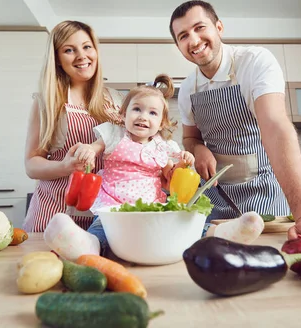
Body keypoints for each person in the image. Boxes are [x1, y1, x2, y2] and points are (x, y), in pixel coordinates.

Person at [169, 0, 301, 251]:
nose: (193, 41)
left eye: (199, 28)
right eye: (183, 36)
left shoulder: (254, 61)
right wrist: (198, 149)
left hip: (266, 195)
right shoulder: (187, 89)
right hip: (217, 200)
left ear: (219, 27)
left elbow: (274, 126)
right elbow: (190, 139)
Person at [43, 74, 196, 258]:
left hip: (149, 210)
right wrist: (88, 151)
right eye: (137, 109)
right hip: (111, 207)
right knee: (101, 233)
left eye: (152, 113)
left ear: (161, 122)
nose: (143, 116)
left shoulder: (163, 147)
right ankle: (86, 245)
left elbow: (172, 178)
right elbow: (94, 147)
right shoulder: (115, 134)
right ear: (123, 114)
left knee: (153, 239)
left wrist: (183, 162)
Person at [22, 20, 124, 233]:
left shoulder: (117, 101)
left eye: (87, 46)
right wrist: (65, 167)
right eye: (69, 50)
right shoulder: (48, 101)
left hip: (104, 215)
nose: (81, 56)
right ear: (58, 59)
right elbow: (32, 163)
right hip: (55, 213)